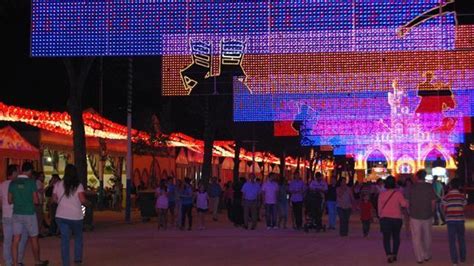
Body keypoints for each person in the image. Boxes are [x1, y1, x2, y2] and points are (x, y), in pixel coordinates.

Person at [9, 162, 48, 266]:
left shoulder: (13, 182)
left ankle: (15, 263)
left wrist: (19, 200)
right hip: (29, 213)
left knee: (16, 240)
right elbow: (35, 200)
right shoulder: (31, 182)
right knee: (34, 238)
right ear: (30, 171)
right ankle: (37, 261)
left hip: (16, 213)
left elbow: (9, 200)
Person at [53, 164, 89, 266]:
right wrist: (88, 203)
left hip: (61, 216)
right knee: (78, 237)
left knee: (65, 240)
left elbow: (54, 199)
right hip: (76, 216)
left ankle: (65, 263)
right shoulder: (78, 185)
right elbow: (82, 200)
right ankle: (77, 259)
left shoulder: (58, 184)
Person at [1, 164, 28, 266]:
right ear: (14, 173)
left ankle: (9, 262)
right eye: (18, 171)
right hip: (17, 215)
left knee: (7, 240)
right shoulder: (18, 184)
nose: (19, 173)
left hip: (6, 215)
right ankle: (19, 260)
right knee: (21, 238)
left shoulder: (2, 184)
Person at [407, 169, 436, 264]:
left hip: (414, 215)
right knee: (427, 236)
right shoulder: (429, 187)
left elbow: (408, 202)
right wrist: (432, 211)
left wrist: (409, 211)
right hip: (427, 214)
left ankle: (419, 257)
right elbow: (433, 201)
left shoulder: (412, 187)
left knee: (416, 237)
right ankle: (427, 255)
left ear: (417, 177)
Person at [378, 176, 408, 263]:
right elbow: (404, 204)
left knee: (386, 238)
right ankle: (394, 254)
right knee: (396, 237)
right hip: (396, 219)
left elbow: (379, 208)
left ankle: (388, 255)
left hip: (385, 219)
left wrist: (381, 216)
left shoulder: (381, 194)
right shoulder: (398, 194)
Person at [442, 178, 467, 266]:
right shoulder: (461, 196)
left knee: (452, 241)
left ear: (451, 186)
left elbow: (444, 207)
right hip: (460, 220)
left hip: (450, 220)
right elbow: (464, 206)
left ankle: (455, 261)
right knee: (461, 239)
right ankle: (463, 258)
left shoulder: (447, 196)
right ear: (458, 186)